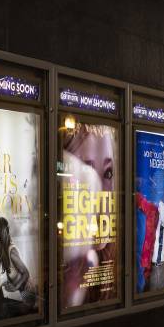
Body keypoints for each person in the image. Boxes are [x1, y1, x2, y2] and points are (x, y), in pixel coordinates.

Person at [59, 123, 117, 308]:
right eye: (86, 171)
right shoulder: (62, 259)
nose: (100, 193)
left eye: (108, 172)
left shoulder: (115, 266)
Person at [0, 217, 37, 318]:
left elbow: (26, 273)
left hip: (27, 296)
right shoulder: (2, 250)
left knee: (3, 309)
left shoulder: (11, 252)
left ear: (2, 232)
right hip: (19, 294)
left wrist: (15, 287)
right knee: (0, 305)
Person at [137, 181, 164, 292]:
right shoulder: (155, 210)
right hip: (150, 267)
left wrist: (160, 204)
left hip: (161, 268)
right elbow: (141, 202)